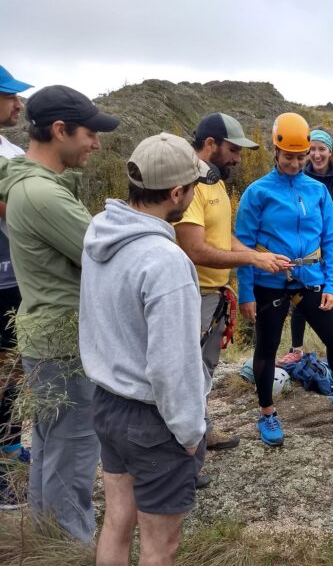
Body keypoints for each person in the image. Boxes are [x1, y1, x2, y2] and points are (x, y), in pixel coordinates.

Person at [80, 133, 210, 566]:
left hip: (107, 402)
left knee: (117, 520)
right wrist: (190, 432)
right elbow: (173, 366)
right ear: (177, 194)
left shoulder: (100, 233)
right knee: (160, 547)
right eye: (193, 187)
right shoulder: (166, 261)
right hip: (151, 420)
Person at [0, 85, 118, 541]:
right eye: (90, 133)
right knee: (72, 452)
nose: (96, 143)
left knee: (51, 447)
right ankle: (73, 547)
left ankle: (47, 540)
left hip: (46, 338)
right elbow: (105, 258)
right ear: (60, 130)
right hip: (66, 342)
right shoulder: (44, 197)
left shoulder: (30, 186)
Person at [236, 112, 333, 448]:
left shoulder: (317, 191)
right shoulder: (258, 192)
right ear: (275, 151)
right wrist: (245, 293)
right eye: (289, 157)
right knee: (267, 348)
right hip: (269, 280)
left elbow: (331, 240)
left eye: (301, 157)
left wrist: (330, 285)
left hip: (311, 277)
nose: (296, 164)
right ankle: (267, 412)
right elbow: (241, 244)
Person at [175, 113, 289, 472]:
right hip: (191, 294)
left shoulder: (215, 182)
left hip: (213, 294)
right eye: (232, 149)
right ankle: (181, 457)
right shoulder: (189, 185)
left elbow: (222, 239)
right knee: (184, 373)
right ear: (210, 144)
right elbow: (195, 248)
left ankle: (200, 431)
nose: (237, 158)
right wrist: (252, 260)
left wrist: (255, 255)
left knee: (204, 369)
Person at [283, 126, 333, 361]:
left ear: (330, 151)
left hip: (332, 247)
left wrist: (323, 217)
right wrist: (331, 214)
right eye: (312, 149)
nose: (316, 154)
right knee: (299, 297)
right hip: (304, 247)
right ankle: (296, 349)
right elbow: (294, 214)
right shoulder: (300, 175)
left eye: (321, 149)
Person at [0, 65, 33, 510]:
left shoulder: (10, 149)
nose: (19, 105)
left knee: (13, 370)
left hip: (15, 276)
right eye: (10, 96)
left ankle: (8, 446)